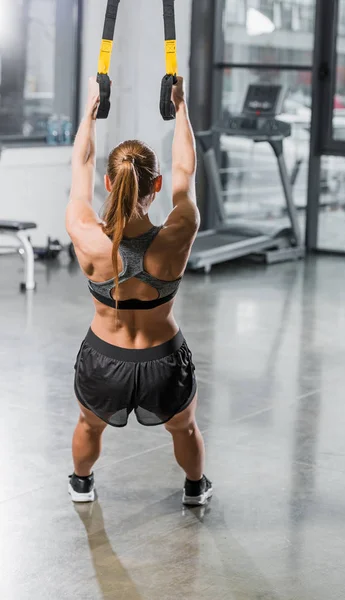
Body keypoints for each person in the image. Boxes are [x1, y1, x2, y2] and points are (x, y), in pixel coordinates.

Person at [66, 76, 212, 506]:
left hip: (103, 358)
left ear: (109, 186)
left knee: (88, 425)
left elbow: (81, 166)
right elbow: (186, 169)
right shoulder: (179, 232)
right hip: (162, 359)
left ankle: (81, 483)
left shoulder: (83, 230)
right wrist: (180, 106)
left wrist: (90, 113)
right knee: (185, 427)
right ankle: (194, 489)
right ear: (157, 187)